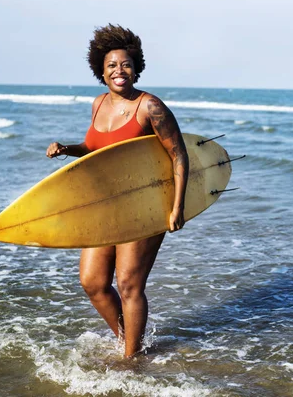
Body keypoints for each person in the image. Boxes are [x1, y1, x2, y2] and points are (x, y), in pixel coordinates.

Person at [46, 24, 189, 358]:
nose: (119, 70)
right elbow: (100, 150)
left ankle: (131, 359)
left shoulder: (150, 106)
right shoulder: (98, 104)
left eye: (125, 64)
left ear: (136, 68)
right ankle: (130, 340)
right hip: (105, 204)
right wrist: (68, 149)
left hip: (145, 203)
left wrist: (177, 207)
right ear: (101, 70)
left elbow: (179, 154)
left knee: (128, 284)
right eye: (111, 65)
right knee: (93, 282)